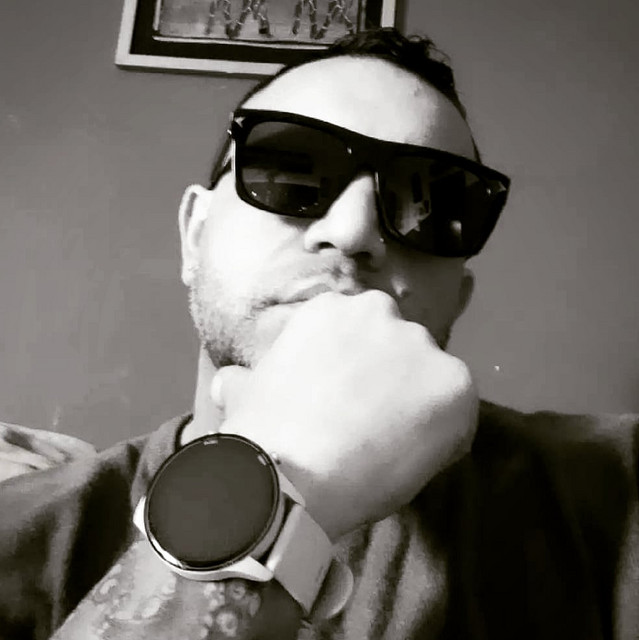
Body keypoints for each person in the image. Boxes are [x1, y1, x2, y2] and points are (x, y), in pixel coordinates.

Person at [1, 27, 638, 640]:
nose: (355, 232)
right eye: (289, 172)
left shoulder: (617, 492)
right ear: (195, 233)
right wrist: (283, 485)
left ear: (459, 297)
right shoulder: (24, 528)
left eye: (431, 206)